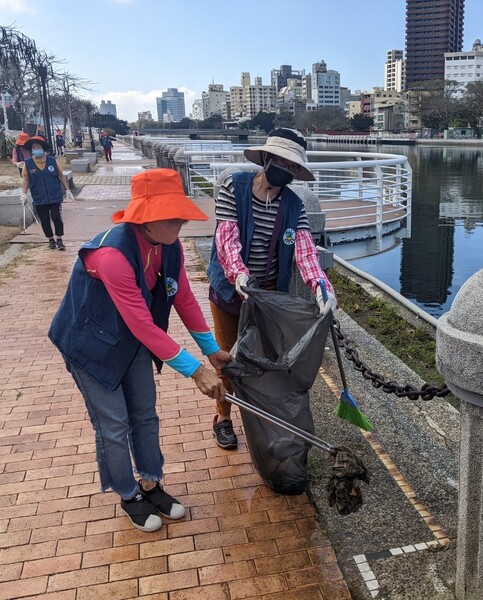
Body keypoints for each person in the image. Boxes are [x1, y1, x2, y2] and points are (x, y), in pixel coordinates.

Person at [48, 168, 232, 532]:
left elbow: (181, 297)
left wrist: (211, 350)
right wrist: (195, 371)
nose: (180, 221)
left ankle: (150, 481)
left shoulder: (169, 246)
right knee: (114, 424)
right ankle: (128, 492)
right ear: (146, 217)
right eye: (172, 216)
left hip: (130, 342)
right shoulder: (112, 255)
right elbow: (143, 324)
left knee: (145, 414)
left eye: (181, 213)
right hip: (90, 345)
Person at [206, 128, 336, 449]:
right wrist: (238, 274)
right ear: (266, 158)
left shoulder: (294, 206)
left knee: (263, 361)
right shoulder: (232, 188)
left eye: (293, 166)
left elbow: (305, 253)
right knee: (227, 359)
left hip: (268, 297)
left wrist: (321, 288)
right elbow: (227, 239)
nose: (286, 169)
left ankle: (263, 421)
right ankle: (222, 417)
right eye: (282, 161)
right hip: (228, 291)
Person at [20, 135, 75, 250]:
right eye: (34, 147)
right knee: (44, 219)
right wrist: (24, 194)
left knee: (56, 217)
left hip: (54, 195)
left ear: (43, 148)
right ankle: (50, 239)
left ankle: (59, 239)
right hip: (39, 197)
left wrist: (67, 189)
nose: (36, 149)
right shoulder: (28, 164)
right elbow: (26, 179)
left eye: (38, 146)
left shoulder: (52, 161)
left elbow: (60, 175)